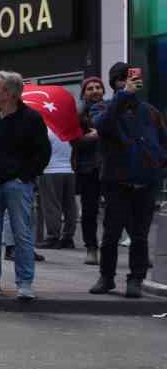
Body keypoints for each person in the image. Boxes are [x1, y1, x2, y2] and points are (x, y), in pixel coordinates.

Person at [0, 71, 50, 300]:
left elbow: (43, 153)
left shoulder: (32, 118)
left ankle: (24, 283)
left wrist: (24, 176)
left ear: (9, 94)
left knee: (21, 233)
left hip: (17, 184)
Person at [91, 62, 166, 299]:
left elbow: (163, 141)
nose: (129, 83)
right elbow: (102, 125)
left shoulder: (150, 111)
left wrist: (158, 168)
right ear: (115, 83)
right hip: (117, 181)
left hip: (146, 181)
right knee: (111, 233)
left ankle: (136, 279)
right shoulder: (104, 107)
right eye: (123, 79)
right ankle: (106, 277)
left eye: (132, 78)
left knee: (140, 236)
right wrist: (123, 96)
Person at [75, 75, 107, 266]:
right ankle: (91, 248)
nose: (95, 91)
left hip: (110, 167)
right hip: (88, 169)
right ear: (83, 93)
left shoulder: (111, 110)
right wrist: (92, 137)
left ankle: (111, 247)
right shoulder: (78, 115)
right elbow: (74, 141)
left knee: (117, 210)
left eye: (98, 87)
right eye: (90, 88)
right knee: (89, 212)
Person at [37, 121, 77, 250]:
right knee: (70, 205)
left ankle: (53, 237)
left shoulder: (47, 131)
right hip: (70, 170)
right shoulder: (69, 129)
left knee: (52, 205)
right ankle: (68, 237)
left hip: (50, 170)